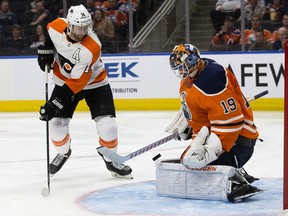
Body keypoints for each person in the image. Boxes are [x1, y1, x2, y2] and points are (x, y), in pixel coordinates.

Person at [37, 4, 133, 179]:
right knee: (56, 126)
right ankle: (64, 152)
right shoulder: (57, 25)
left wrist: (53, 103)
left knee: (108, 126)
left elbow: (77, 82)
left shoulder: (91, 47)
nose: (82, 32)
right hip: (64, 81)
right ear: (69, 25)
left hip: (95, 84)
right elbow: (49, 31)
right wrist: (46, 50)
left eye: (85, 28)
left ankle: (111, 159)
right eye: (78, 28)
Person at [167, 43, 262, 202]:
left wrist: (210, 151)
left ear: (192, 62)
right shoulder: (197, 72)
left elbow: (231, 122)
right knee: (190, 161)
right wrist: (190, 120)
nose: (181, 72)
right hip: (219, 134)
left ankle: (234, 179)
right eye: (178, 68)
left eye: (183, 67)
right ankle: (230, 170)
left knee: (192, 164)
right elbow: (201, 105)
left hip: (238, 142)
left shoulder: (211, 80)